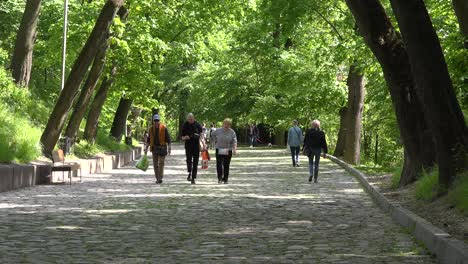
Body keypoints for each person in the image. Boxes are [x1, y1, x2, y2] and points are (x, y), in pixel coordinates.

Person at [145, 114, 171, 184]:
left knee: (161, 163)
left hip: (162, 148)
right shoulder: (151, 129)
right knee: (155, 164)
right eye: (155, 120)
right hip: (154, 148)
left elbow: (168, 139)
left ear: (159, 121)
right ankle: (157, 178)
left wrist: (169, 148)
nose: (156, 122)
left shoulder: (163, 128)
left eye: (157, 120)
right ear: (153, 121)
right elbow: (148, 140)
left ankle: (160, 177)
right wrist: (146, 148)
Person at [211, 118, 237, 184]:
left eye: (228, 124)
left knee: (226, 164)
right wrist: (215, 140)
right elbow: (212, 134)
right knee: (219, 164)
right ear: (223, 124)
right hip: (219, 148)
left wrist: (234, 149)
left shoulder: (232, 132)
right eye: (225, 124)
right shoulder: (218, 130)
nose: (226, 125)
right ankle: (219, 178)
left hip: (228, 149)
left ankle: (225, 179)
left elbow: (235, 141)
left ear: (230, 125)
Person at [181, 113, 205, 184]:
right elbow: (182, 137)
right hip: (188, 145)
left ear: (194, 118)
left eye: (192, 119)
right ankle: (189, 172)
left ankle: (193, 178)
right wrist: (185, 137)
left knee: (195, 162)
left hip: (196, 146)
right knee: (189, 160)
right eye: (189, 119)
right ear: (187, 119)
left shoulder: (197, 125)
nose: (191, 120)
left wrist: (203, 142)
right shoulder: (185, 125)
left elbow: (201, 135)